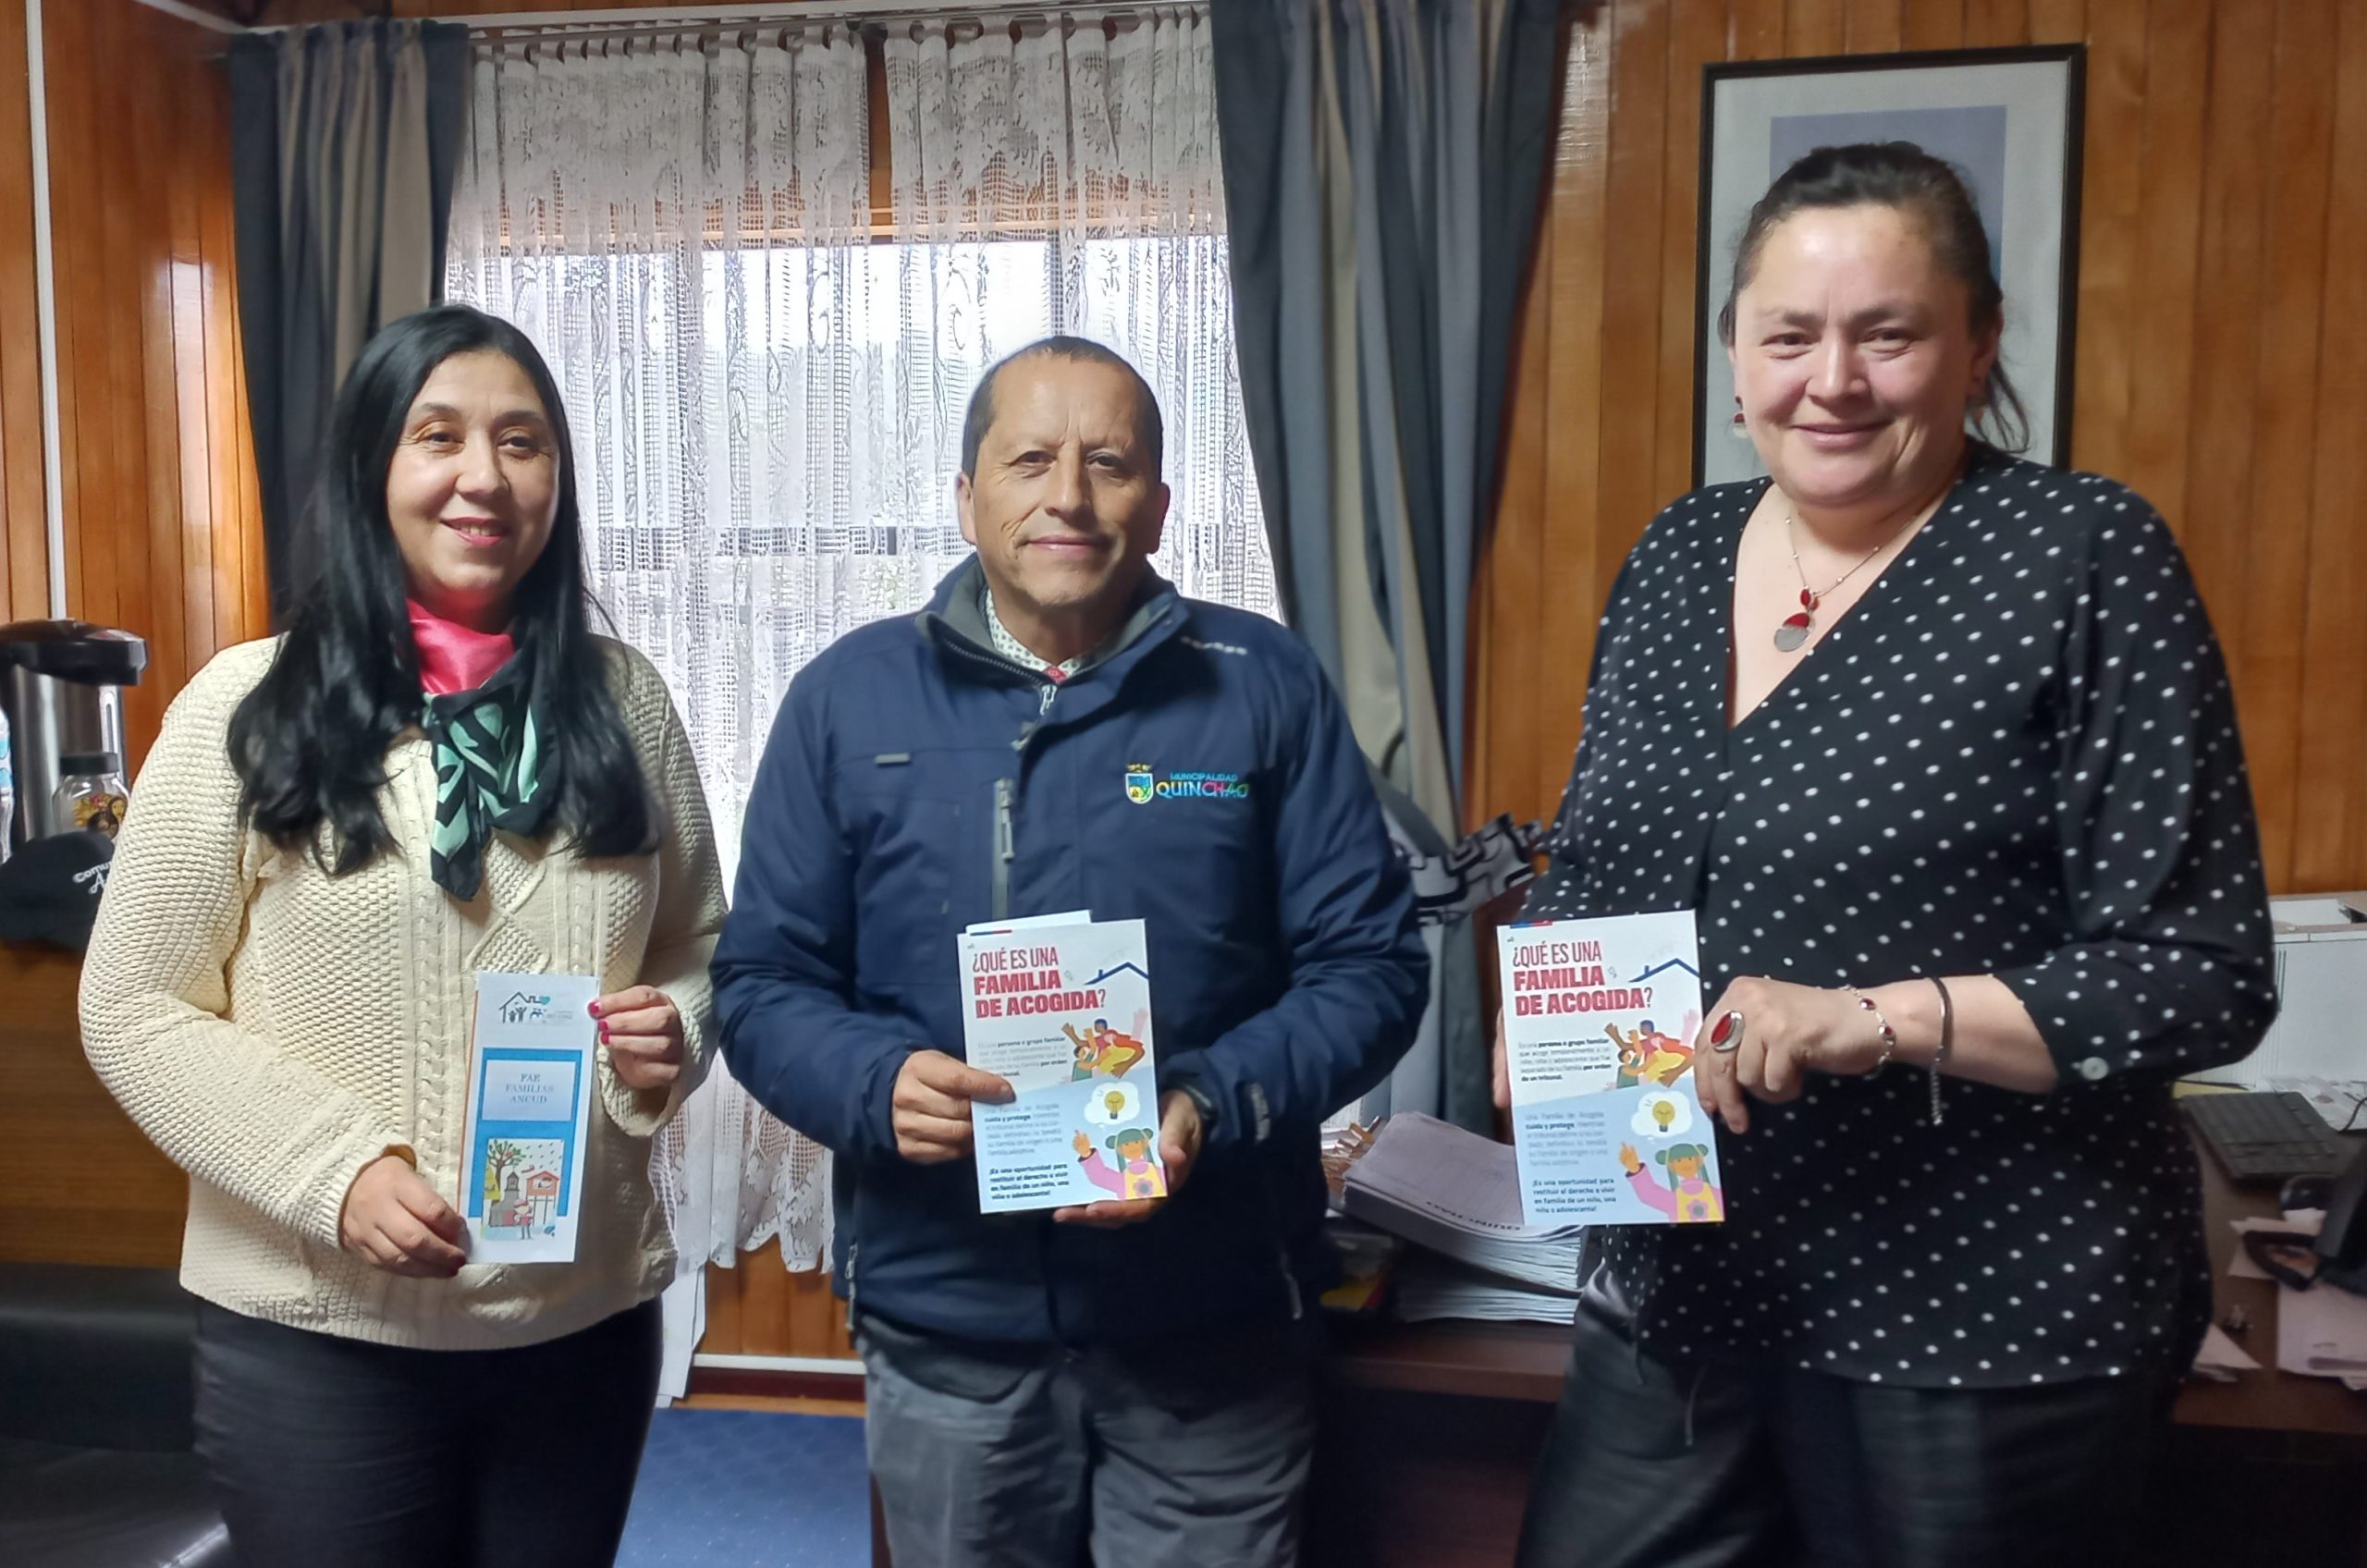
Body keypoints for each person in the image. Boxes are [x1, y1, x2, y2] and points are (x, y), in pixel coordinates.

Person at [1502, 142, 2276, 1568]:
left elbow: (2200, 975)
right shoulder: (1678, 554)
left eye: (1890, 335)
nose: (1833, 382)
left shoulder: (2081, 554)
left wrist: (1875, 1020)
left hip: (1981, 1309)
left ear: (1977, 347)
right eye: (1790, 335)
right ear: (1737, 352)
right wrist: (1547, 1008)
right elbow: (1607, 859)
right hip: (1685, 1279)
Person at [714, 335, 1428, 1568]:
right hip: (948, 1323)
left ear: (1156, 503)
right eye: (1029, 459)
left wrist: (1207, 1100)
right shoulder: (846, 699)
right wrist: (873, 1084)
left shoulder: (1263, 684)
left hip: (1212, 1325)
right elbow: (762, 984)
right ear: (966, 495)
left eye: (1109, 463)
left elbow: (1371, 969)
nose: (1068, 496)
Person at [80, 306, 725, 1568]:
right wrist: (338, 1174)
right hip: (318, 1342)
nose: (484, 475)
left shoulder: (626, 703)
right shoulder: (245, 706)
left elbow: (701, 943)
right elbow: (136, 1006)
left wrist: (679, 1031)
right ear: (375, 465)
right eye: (440, 436)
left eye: (522, 442)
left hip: (578, 1325)